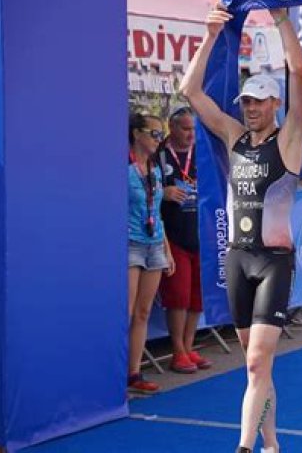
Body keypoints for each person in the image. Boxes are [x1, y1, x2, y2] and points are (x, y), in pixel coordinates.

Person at [179, 3, 302, 453]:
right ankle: (271, 444)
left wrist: (282, 19)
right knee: (258, 367)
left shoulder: (290, 138)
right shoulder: (234, 137)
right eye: (246, 102)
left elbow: (299, 72)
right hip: (238, 259)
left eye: (258, 101)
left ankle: (245, 447)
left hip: (274, 261)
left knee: (255, 364)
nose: (251, 108)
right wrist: (210, 35)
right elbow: (190, 91)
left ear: (275, 103)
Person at [158, 106, 213, 373]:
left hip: (199, 233)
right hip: (172, 235)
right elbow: (140, 187)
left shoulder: (201, 153)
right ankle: (177, 350)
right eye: (185, 129)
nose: (191, 134)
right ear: (171, 128)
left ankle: (189, 347)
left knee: (196, 297)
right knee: (178, 296)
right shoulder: (159, 155)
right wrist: (163, 192)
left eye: (194, 129)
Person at [128, 112, 176, 394]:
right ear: (137, 134)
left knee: (143, 312)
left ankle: (134, 373)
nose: (159, 140)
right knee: (126, 311)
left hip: (154, 244)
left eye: (161, 135)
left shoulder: (155, 170)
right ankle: (115, 372)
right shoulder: (124, 169)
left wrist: (166, 250)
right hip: (131, 243)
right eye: (154, 134)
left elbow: (157, 212)